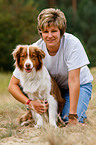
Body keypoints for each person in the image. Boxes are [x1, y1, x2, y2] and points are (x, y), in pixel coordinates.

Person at [8, 8, 93, 125]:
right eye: (45, 31)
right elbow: (12, 85)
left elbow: (74, 81)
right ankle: (32, 114)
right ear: (40, 32)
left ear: (61, 31)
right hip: (53, 90)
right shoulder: (34, 50)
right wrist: (29, 103)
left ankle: (77, 112)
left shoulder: (72, 44)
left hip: (78, 86)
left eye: (54, 31)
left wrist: (73, 116)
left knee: (66, 120)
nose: (49, 36)